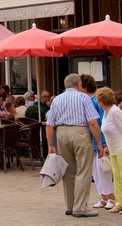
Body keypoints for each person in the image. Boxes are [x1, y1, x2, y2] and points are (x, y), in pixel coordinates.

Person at [44, 73, 103, 218]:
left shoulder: (57, 99)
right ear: (79, 85)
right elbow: (93, 122)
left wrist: (50, 144)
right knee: (83, 170)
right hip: (80, 132)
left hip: (62, 132)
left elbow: (49, 124)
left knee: (68, 171)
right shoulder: (83, 98)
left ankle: (70, 206)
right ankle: (80, 207)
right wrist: (99, 143)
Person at [97, 87, 122, 215]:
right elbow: (110, 132)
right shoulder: (106, 112)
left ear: (102, 101)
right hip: (113, 149)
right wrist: (107, 147)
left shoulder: (115, 112)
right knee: (116, 176)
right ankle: (120, 203)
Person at [81, 75, 115, 211]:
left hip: (99, 139)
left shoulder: (95, 101)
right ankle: (104, 196)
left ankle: (111, 197)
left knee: (102, 169)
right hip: (94, 140)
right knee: (96, 171)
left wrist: (104, 142)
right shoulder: (89, 100)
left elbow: (101, 121)